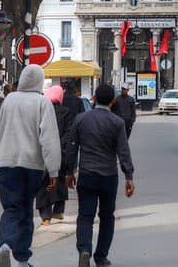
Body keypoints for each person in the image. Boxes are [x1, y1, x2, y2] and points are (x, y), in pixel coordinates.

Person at [0, 65, 62, 267]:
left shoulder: (9, 100)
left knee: (11, 208)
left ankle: (6, 245)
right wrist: (53, 171)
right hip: (32, 165)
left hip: (7, 163)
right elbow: (49, 139)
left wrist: (0, 157)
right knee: (25, 209)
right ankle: (23, 259)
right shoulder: (42, 103)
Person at [66, 84, 135, 267]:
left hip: (87, 175)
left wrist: (69, 172)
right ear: (113, 101)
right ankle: (101, 256)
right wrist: (129, 176)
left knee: (85, 216)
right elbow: (123, 151)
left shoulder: (81, 119)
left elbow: (72, 147)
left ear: (94, 99)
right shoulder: (117, 123)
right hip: (108, 176)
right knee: (107, 216)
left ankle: (84, 250)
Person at [35, 86, 72, 226]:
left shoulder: (42, 111)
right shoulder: (67, 113)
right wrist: (60, 146)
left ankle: (45, 216)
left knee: (43, 183)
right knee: (60, 180)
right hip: (61, 153)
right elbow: (69, 133)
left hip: (43, 152)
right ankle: (58, 210)